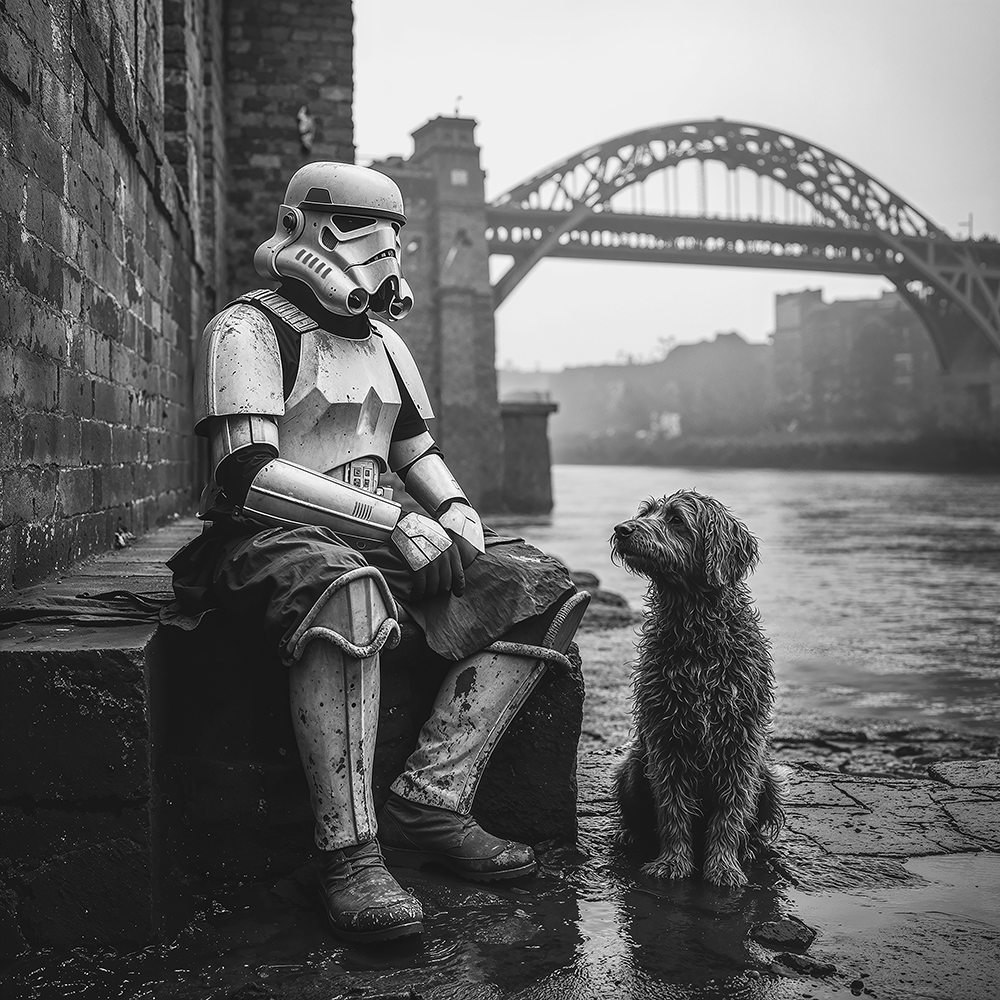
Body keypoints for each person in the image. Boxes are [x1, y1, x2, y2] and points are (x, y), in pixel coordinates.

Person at [167, 162, 589, 944]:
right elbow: (246, 473)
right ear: (301, 227)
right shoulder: (245, 330)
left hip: (377, 533)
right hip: (267, 540)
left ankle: (433, 798)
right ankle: (349, 855)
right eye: (357, 229)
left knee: (542, 583)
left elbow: (415, 452)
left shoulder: (388, 345)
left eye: (392, 233)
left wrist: (455, 513)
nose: (381, 251)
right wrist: (389, 526)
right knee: (349, 589)